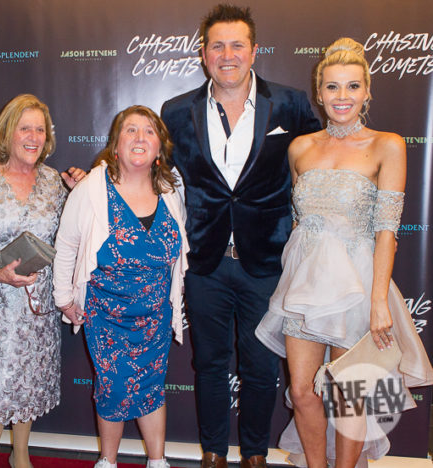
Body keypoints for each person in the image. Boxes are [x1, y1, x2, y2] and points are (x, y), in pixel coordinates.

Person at [255, 37, 433, 468]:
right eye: (332, 87)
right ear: (319, 93)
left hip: (358, 284)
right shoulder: (301, 148)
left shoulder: (388, 144)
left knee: (349, 392)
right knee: (302, 390)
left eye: (353, 86)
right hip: (306, 284)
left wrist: (378, 301)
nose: (342, 97)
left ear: (367, 91)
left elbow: (387, 229)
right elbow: (298, 222)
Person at [160, 5, 321, 468]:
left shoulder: (289, 104)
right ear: (203, 53)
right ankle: (213, 452)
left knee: (262, 365)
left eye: (236, 45)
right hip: (205, 261)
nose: (227, 55)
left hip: (267, 262)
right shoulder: (176, 111)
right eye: (217, 46)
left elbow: (321, 163)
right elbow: (150, 169)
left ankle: (254, 454)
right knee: (209, 364)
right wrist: (95, 177)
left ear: (253, 51)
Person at [0, 93, 84, 468]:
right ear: (7, 132)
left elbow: (72, 238)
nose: (33, 137)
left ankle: (20, 455)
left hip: (38, 306)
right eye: (25, 128)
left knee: (30, 383)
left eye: (40, 130)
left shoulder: (54, 182)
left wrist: (82, 191)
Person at [53, 105, 189, 468]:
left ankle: (157, 461)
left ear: (159, 148)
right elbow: (66, 245)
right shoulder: (92, 188)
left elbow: (179, 253)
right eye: (131, 130)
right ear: (115, 145)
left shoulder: (171, 190)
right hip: (106, 315)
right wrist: (64, 298)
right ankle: (108, 461)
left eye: (149, 131)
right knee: (113, 387)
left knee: (153, 385)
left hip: (156, 315)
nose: (140, 137)